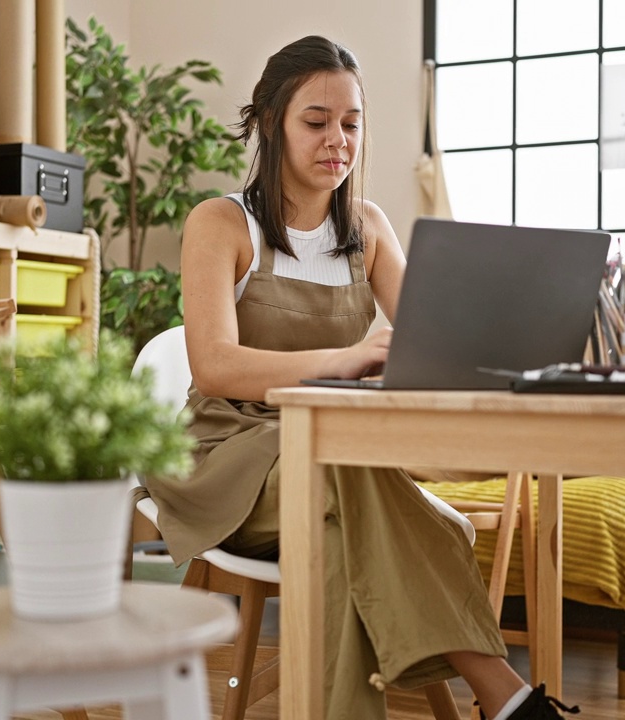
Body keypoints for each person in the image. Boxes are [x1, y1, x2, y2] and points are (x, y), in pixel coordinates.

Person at [144, 35, 578, 720]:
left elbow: (431, 346)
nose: (337, 140)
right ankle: (504, 695)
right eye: (316, 122)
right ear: (270, 124)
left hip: (327, 462)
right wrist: (338, 361)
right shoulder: (222, 224)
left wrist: (507, 341)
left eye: (351, 122)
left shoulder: (368, 230)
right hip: (230, 462)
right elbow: (215, 365)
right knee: (344, 459)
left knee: (339, 533)